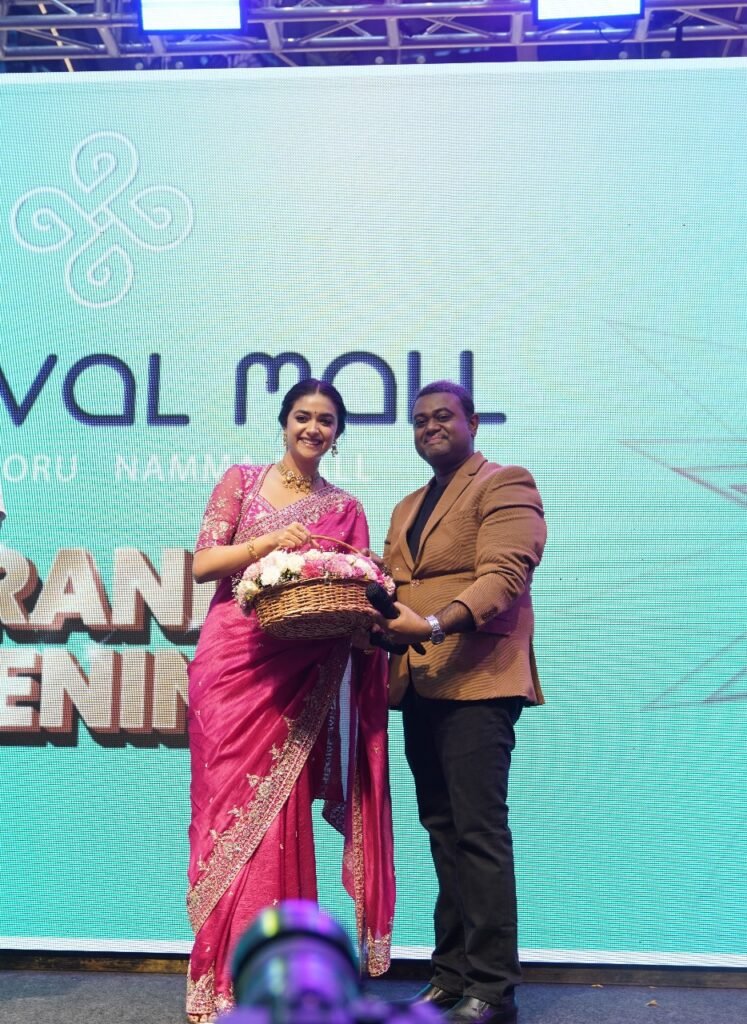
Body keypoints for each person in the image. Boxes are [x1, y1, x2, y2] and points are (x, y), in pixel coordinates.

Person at [185, 379, 395, 1022]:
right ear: (283, 422)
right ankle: (214, 977)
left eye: (326, 420)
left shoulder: (347, 509)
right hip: (229, 666)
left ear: (337, 433)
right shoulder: (240, 482)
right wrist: (267, 547)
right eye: (303, 416)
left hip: (296, 676)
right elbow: (203, 565)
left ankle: (271, 979)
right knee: (224, 814)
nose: (313, 428)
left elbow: (356, 592)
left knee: (280, 816)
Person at [375, 381, 546, 1024]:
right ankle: (450, 975)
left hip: (479, 681)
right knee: (442, 832)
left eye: (443, 416)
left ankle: (493, 987)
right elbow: (390, 587)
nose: (430, 427)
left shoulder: (504, 483)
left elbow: (504, 576)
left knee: (478, 833)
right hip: (419, 682)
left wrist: (433, 624)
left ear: (472, 421)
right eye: (419, 421)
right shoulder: (407, 506)